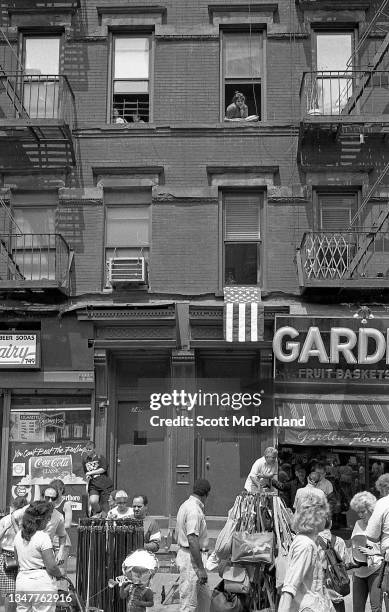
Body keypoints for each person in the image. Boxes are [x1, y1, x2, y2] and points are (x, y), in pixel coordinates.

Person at [278, 490, 334, 612]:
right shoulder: (305, 545)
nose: (326, 519)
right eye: (324, 515)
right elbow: (289, 586)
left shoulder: (309, 541)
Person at [13, 501, 63, 612]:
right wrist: (60, 575)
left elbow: (18, 562)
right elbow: (51, 567)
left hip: (22, 582)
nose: (49, 521)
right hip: (41, 583)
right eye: (48, 518)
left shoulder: (18, 535)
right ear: (40, 519)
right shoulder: (43, 537)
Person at [175, 479, 211, 612]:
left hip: (190, 556)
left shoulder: (185, 505)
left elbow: (176, 533)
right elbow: (192, 539)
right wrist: (200, 569)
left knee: (204, 601)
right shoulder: (194, 510)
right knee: (189, 604)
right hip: (192, 559)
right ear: (206, 494)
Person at [350, 491, 385, 612]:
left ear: (370, 509)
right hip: (359, 571)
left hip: (375, 570)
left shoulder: (380, 523)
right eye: (358, 511)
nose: (360, 515)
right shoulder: (357, 523)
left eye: (363, 511)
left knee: (376, 608)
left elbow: (386, 548)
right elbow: (355, 544)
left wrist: (373, 551)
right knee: (357, 609)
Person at [0, 496, 28, 612]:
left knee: (17, 591)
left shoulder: (26, 521)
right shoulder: (6, 520)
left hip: (19, 555)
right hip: (9, 557)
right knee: (11, 591)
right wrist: (6, 527)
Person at [318, 517, 347, 612]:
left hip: (319, 586)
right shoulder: (339, 541)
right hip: (337, 584)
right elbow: (344, 562)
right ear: (331, 523)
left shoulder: (313, 541)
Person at [82, 441, 114, 516]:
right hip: (93, 485)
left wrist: (91, 473)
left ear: (94, 449)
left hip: (104, 485)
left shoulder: (100, 457)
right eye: (87, 449)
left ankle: (106, 519)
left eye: (90, 449)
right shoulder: (85, 460)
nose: (88, 451)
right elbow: (86, 472)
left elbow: (103, 469)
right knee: (93, 501)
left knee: (106, 505)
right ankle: (99, 513)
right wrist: (88, 475)